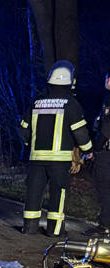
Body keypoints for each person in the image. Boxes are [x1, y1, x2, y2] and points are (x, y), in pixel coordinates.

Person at [19, 61, 92, 236]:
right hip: (60, 161)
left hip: (37, 159)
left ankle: (29, 228)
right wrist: (88, 150)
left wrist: (30, 146)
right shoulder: (71, 105)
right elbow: (80, 134)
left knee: (33, 193)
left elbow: (23, 132)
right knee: (58, 194)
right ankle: (55, 230)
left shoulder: (36, 102)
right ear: (69, 83)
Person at [91, 72, 110, 237]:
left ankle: (105, 225)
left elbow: (106, 128)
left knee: (104, 187)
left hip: (106, 151)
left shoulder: (109, 99)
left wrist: (95, 149)